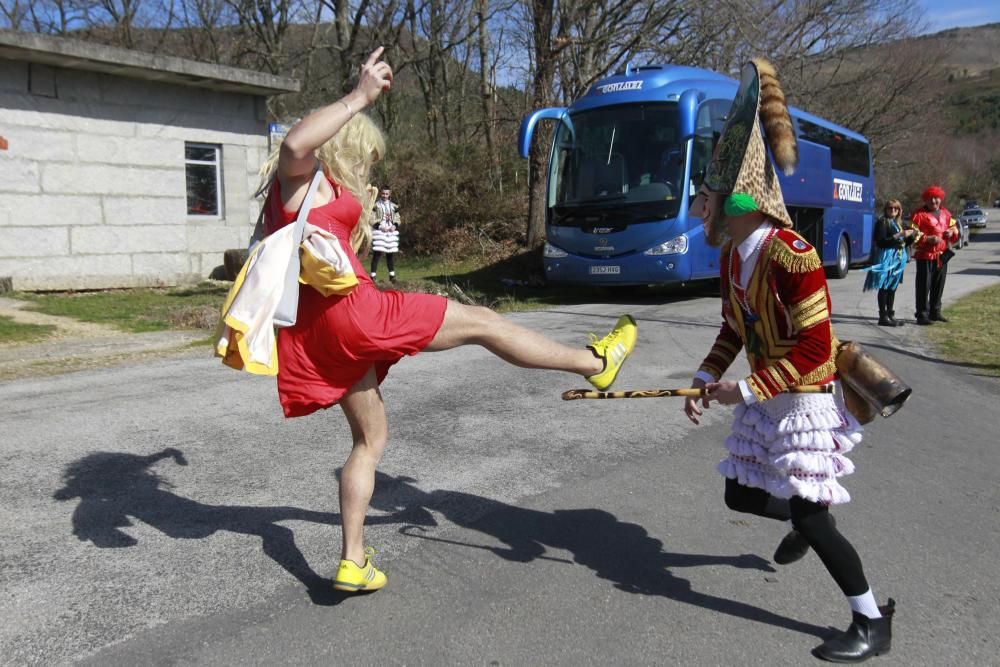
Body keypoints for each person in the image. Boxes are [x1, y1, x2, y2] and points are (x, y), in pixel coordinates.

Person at [258, 47, 637, 594]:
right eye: (366, 157)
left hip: (320, 337)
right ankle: (594, 362)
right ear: (346, 144)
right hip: (353, 317)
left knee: (370, 441)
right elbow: (295, 142)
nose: (368, 168)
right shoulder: (305, 178)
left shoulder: (313, 193)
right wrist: (360, 96)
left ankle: (353, 560)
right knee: (483, 321)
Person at [683, 59, 894, 663]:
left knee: (812, 515)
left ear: (741, 199)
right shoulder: (732, 258)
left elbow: (814, 348)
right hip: (768, 392)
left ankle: (872, 622)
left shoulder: (794, 255)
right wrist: (704, 377)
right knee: (740, 496)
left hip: (804, 395)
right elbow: (733, 328)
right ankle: (803, 521)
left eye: (707, 197)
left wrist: (746, 391)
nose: (699, 208)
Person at [863, 199, 916, 326]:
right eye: (890, 208)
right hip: (886, 257)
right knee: (884, 287)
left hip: (898, 258)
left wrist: (911, 236)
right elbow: (881, 242)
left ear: (899, 210)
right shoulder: (882, 222)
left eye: (895, 208)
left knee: (893, 287)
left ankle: (890, 315)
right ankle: (883, 316)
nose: (893, 210)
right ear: (886, 209)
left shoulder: (900, 223)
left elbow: (904, 243)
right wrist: (898, 235)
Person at [911, 185, 957, 325]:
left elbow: (954, 228)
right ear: (925, 200)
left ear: (940, 199)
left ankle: (935, 312)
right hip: (925, 256)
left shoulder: (947, 214)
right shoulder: (918, 215)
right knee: (924, 285)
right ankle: (922, 314)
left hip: (942, 255)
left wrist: (952, 232)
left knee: (939, 284)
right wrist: (927, 238)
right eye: (930, 199)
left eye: (936, 198)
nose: (933, 201)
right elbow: (912, 234)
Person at [370, 186, 400, 282]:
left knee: (390, 254)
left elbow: (397, 218)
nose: (385, 196)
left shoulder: (394, 206)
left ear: (389, 194)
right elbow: (371, 218)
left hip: (391, 231)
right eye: (383, 193)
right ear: (380, 194)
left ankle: (392, 276)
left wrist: (395, 225)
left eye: (387, 194)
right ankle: (373, 276)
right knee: (377, 254)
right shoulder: (376, 205)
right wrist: (379, 226)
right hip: (380, 231)